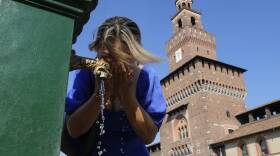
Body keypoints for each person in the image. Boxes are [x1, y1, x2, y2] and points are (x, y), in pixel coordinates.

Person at [65, 16, 166, 156]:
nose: (113, 67)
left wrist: (127, 95)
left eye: (122, 59)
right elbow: (74, 129)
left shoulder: (146, 77)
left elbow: (148, 136)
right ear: (97, 51)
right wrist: (100, 95)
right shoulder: (86, 74)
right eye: (106, 58)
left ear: (134, 56)